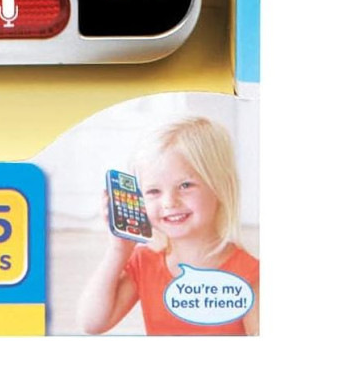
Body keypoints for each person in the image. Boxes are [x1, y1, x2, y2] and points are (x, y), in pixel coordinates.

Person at [79, 116, 259, 336]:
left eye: (185, 185)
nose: (169, 202)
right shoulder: (144, 262)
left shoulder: (252, 274)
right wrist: (119, 250)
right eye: (154, 191)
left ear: (219, 186)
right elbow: (92, 323)